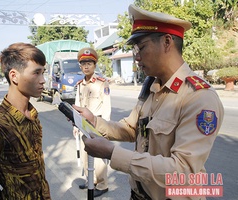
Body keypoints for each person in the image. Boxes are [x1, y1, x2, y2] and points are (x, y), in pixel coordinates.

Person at [73, 4, 224, 200]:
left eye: (141, 47)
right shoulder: (152, 87)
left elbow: (183, 170)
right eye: (135, 49)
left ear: (167, 42)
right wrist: (94, 121)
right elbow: (131, 129)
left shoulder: (198, 97)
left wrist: (113, 154)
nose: (136, 56)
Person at [0, 42, 51, 200]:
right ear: (14, 76)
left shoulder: (32, 115)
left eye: (43, 72)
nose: (43, 80)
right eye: (36, 73)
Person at [74, 47, 111, 197]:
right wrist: (76, 125)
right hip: (83, 125)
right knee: (85, 154)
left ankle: (102, 185)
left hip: (98, 124)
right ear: (80, 66)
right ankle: (92, 181)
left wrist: (106, 126)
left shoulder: (102, 83)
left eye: (90, 63)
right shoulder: (79, 85)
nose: (86, 66)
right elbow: (77, 104)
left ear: (95, 65)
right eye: (83, 63)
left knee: (99, 157)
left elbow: (107, 106)